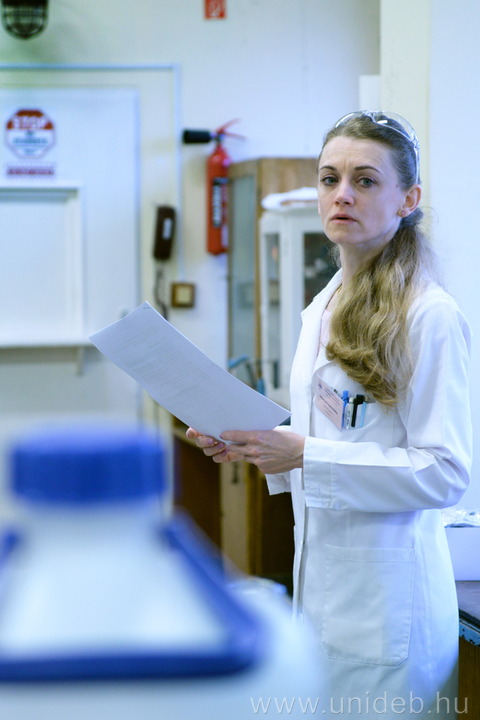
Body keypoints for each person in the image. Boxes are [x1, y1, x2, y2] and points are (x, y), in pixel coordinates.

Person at [187, 111, 472, 717]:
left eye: (365, 180)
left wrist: (306, 455)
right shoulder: (323, 306)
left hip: (392, 617)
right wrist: (253, 442)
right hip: (323, 599)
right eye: (329, 178)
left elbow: (446, 473)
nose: (341, 194)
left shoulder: (429, 316)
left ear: (408, 200)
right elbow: (331, 432)